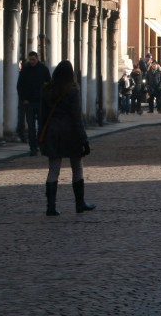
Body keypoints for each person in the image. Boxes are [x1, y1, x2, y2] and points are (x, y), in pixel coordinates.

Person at [38, 60, 94, 216]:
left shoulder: (47, 90)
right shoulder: (73, 90)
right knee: (77, 166)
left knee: (53, 169)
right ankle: (79, 203)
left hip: (52, 132)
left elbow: (42, 116)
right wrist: (84, 140)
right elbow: (76, 118)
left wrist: (40, 136)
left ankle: (51, 206)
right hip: (70, 132)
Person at [16, 50, 51, 156]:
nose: (32, 61)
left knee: (41, 125)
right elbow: (19, 86)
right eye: (30, 59)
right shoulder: (25, 70)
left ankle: (41, 145)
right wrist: (23, 99)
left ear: (37, 59)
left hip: (41, 102)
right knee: (31, 126)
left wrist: (46, 98)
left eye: (33, 59)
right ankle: (33, 147)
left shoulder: (43, 69)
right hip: (29, 102)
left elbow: (49, 84)